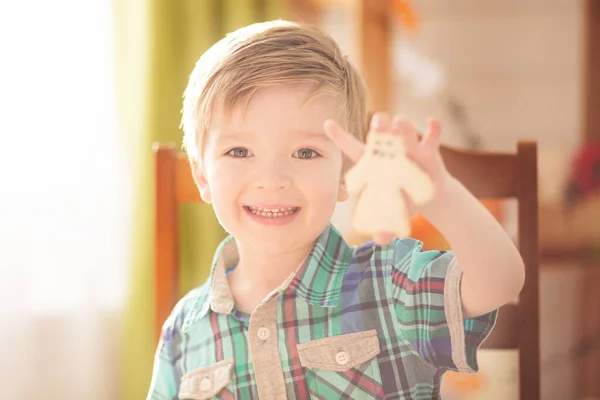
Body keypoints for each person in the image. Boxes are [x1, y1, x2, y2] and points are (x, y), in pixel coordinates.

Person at [147, 19, 524, 400]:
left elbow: (501, 281)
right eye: (239, 152)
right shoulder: (184, 330)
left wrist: (439, 196)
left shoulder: (390, 286)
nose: (273, 179)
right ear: (202, 175)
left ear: (346, 173)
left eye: (305, 152)